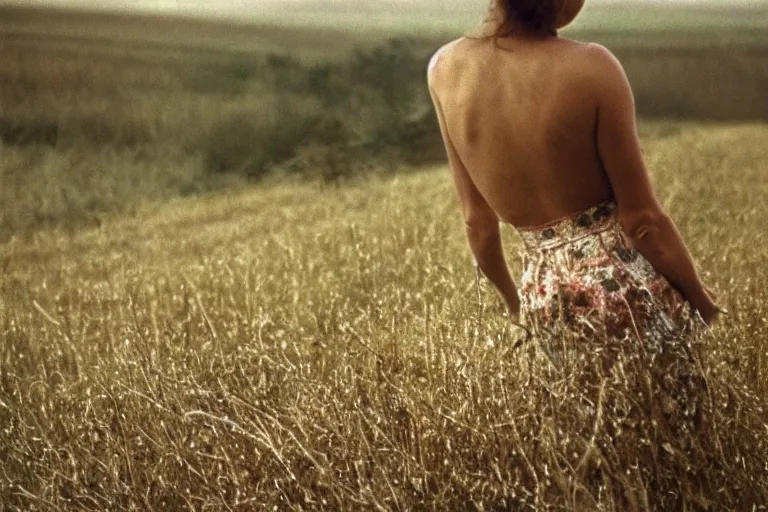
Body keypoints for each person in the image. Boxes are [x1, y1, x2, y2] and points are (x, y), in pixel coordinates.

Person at [427, 0, 721, 348]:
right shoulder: (593, 67)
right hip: (627, 299)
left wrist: (516, 307)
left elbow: (478, 224)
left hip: (544, 305)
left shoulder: (443, 69)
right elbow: (644, 223)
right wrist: (703, 303)